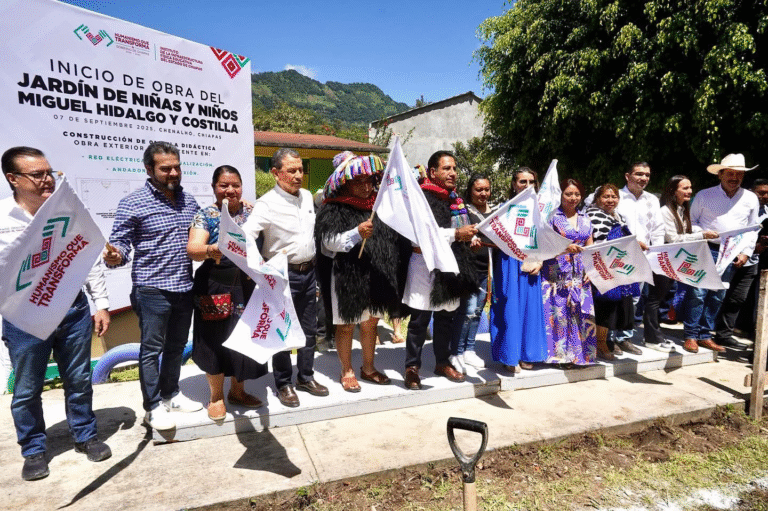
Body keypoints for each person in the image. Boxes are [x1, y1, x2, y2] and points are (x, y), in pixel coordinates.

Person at [1, 146, 111, 481]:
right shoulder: (3, 218)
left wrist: (101, 303)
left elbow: (86, 256)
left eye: (50, 172)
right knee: (27, 388)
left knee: (78, 379)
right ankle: (33, 450)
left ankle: (85, 435)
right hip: (25, 319)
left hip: (72, 311)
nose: (47, 180)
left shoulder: (64, 211)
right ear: (13, 179)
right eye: (38, 175)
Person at [103, 141, 203, 431]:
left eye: (176, 167)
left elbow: (205, 228)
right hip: (152, 290)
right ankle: (153, 406)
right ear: (149, 169)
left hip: (184, 287)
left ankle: (171, 395)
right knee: (151, 350)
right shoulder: (132, 203)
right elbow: (120, 244)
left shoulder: (189, 201)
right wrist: (115, 255)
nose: (173, 173)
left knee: (175, 346)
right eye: (165, 168)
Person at [242, 148, 329, 407]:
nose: (298, 175)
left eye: (301, 170)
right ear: (275, 173)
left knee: (308, 329)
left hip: (309, 272)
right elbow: (246, 235)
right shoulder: (267, 203)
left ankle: (305, 376)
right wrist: (259, 266)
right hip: (281, 276)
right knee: (281, 331)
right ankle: (284, 383)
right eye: (291, 171)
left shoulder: (305, 198)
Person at [315, 151, 408, 392]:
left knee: (371, 323)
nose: (366, 187)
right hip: (347, 275)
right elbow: (329, 243)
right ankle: (346, 370)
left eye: (369, 181)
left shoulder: (378, 206)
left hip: (375, 273)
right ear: (346, 183)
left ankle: (368, 367)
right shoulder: (333, 208)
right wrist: (357, 232)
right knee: (346, 325)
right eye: (360, 181)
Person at [186, 165, 268, 420]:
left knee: (244, 340)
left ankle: (238, 391)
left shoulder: (252, 212)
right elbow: (193, 248)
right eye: (224, 185)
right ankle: (216, 397)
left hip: (247, 287)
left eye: (235, 185)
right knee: (214, 341)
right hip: (215, 287)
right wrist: (211, 250)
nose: (230, 190)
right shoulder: (206, 215)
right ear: (214, 188)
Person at [402, 150, 478, 390]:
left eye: (454, 169)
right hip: (424, 264)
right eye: (447, 169)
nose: (453, 173)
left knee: (445, 317)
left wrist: (467, 239)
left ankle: (442, 362)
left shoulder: (454, 199)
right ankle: (412, 367)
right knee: (419, 319)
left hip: (449, 266)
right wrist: (456, 234)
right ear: (432, 172)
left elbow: (459, 231)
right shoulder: (420, 198)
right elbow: (422, 235)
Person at [681, 154, 759, 353]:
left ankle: (705, 335)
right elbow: (691, 222)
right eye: (730, 173)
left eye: (739, 174)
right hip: (706, 248)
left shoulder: (750, 198)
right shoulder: (704, 195)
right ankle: (690, 335)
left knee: (718, 295)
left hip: (732, 253)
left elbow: (753, 228)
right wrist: (702, 233)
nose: (734, 177)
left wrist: (746, 252)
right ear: (720, 175)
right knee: (697, 293)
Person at [490, 168, 547, 372]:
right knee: (509, 308)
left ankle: (527, 353)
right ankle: (509, 356)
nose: (527, 186)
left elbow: (544, 240)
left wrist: (539, 261)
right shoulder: (504, 208)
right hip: (509, 263)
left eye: (532, 181)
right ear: (514, 184)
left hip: (531, 263)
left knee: (530, 310)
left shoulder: (540, 210)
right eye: (523, 181)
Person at [657, 175, 719, 353]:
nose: (689, 191)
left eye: (690, 187)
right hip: (667, 260)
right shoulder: (666, 211)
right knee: (658, 300)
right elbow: (673, 238)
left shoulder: (683, 210)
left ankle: (698, 335)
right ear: (672, 190)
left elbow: (686, 232)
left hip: (680, 260)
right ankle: (652, 335)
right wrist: (702, 235)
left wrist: (699, 231)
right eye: (685, 188)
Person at [541, 179, 597, 365]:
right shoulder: (551, 218)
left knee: (579, 313)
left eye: (577, 194)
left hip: (580, 274)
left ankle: (578, 357)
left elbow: (591, 247)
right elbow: (544, 246)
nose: (573, 198)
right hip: (557, 274)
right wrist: (565, 249)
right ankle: (559, 357)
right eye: (568, 194)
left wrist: (592, 268)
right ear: (561, 195)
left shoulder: (585, 218)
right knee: (559, 315)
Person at [612, 162, 665, 355]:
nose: (643, 178)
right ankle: (609, 338)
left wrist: (657, 253)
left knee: (634, 299)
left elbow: (657, 229)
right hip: (617, 256)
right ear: (628, 176)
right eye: (639, 174)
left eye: (647, 175)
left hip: (643, 257)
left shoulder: (652, 199)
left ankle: (624, 337)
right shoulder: (615, 196)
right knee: (615, 297)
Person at [586, 184, 640, 360]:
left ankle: (604, 342)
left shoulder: (617, 216)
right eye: (606, 197)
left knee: (611, 307)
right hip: (600, 267)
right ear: (597, 199)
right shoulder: (593, 215)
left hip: (617, 266)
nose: (610, 200)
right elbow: (598, 243)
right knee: (601, 306)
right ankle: (598, 343)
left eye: (614, 197)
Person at [451, 174, 495, 372]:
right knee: (466, 311)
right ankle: (457, 352)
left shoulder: (495, 212)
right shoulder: (464, 211)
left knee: (477, 312)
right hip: (468, 269)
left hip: (488, 269)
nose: (483, 193)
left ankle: (469, 349)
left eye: (486, 189)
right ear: (470, 190)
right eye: (479, 190)